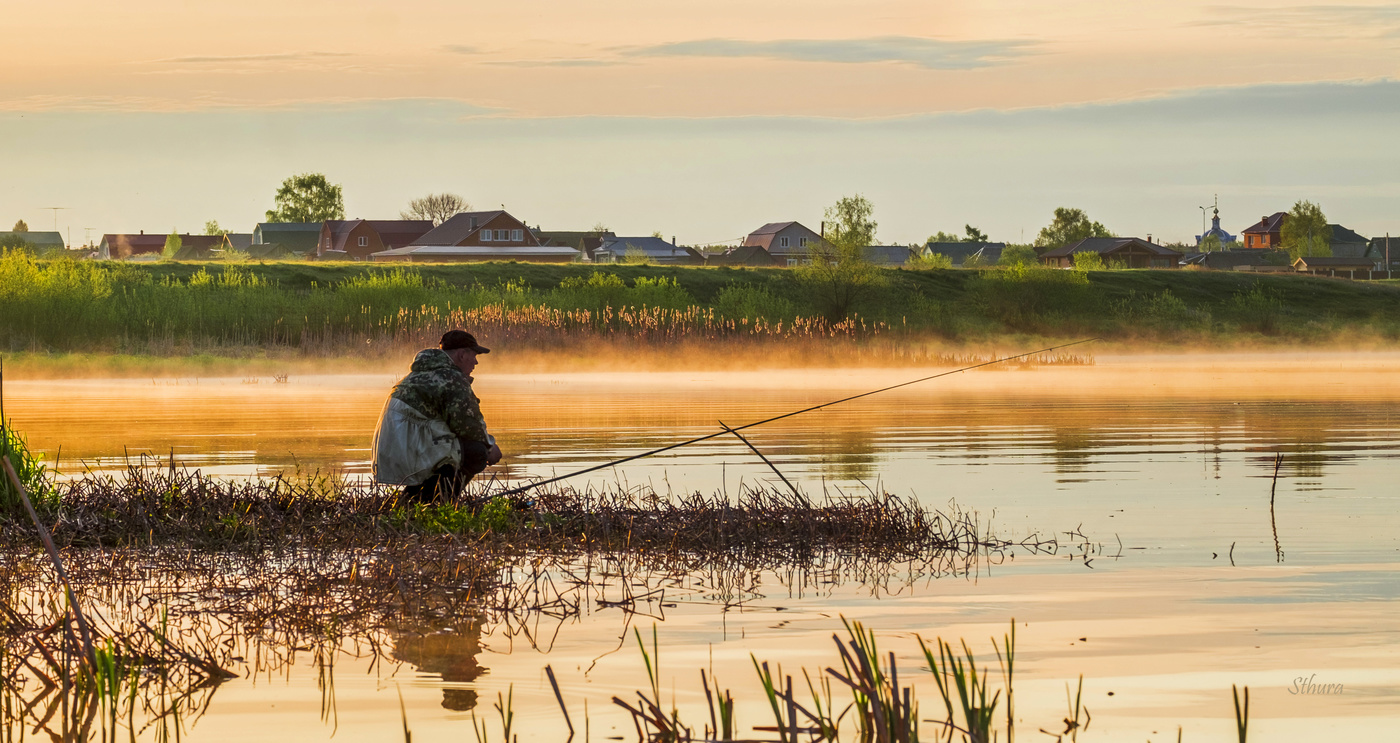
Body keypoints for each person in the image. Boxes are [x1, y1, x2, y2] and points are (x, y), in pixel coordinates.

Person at [373, 330, 502, 503]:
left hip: (394, 453)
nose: (476, 362)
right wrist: (489, 448)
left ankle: (413, 499)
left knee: (453, 447)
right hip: (411, 452)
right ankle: (439, 502)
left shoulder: (418, 374)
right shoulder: (451, 378)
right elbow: (468, 426)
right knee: (476, 451)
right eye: (474, 354)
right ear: (462, 355)